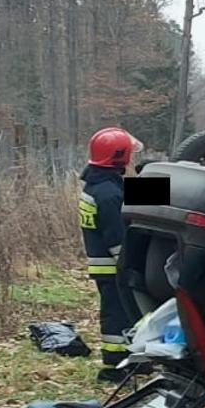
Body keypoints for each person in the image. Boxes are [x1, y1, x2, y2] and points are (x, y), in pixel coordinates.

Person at [82, 127, 139, 383]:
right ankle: (116, 365)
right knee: (117, 314)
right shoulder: (108, 193)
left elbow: (138, 196)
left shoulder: (102, 184)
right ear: (119, 156)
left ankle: (130, 359)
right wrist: (127, 264)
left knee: (123, 311)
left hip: (105, 264)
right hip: (112, 265)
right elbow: (115, 236)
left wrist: (163, 178)